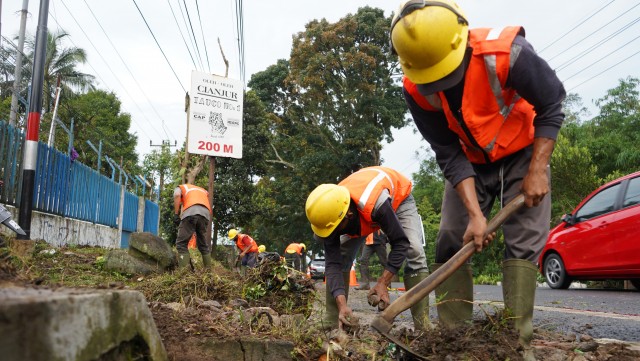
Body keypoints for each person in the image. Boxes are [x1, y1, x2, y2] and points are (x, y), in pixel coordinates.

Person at [390, 1, 566, 358]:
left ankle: (518, 343)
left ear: (462, 41)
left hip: (523, 148)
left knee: (525, 239)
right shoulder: (414, 88)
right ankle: (453, 341)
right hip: (469, 160)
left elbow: (552, 103)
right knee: (452, 236)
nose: (438, 84)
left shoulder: (507, 54)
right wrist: (474, 214)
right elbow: (448, 152)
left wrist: (536, 170)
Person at [305, 166, 430, 330]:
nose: (332, 235)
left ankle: (422, 325)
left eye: (335, 230)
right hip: (362, 210)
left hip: (398, 199)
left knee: (414, 249)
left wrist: (383, 283)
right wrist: (342, 305)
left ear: (347, 216)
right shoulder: (331, 210)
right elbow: (333, 265)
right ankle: (334, 321)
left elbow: (400, 243)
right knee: (341, 253)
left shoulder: (375, 203)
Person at [173, 184, 212, 268]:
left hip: (191, 212)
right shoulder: (202, 189)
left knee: (181, 243)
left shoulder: (180, 187)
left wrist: (176, 214)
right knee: (203, 244)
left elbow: (177, 195)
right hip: (205, 214)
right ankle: (209, 272)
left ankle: (183, 272)